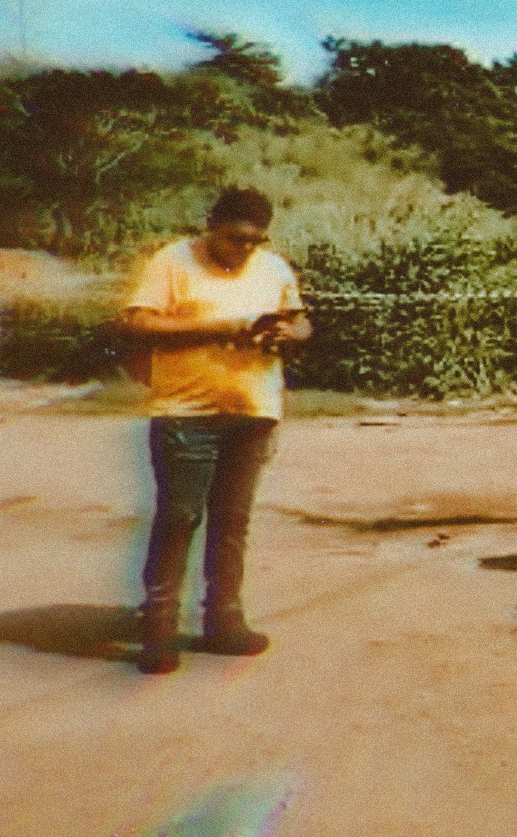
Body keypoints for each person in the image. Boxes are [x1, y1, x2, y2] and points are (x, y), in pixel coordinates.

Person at [117, 188, 311, 674]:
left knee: (232, 520)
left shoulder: (273, 268)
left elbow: (300, 319)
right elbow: (138, 324)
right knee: (179, 517)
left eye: (254, 241)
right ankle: (158, 628)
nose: (244, 249)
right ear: (210, 224)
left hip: (253, 410)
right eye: (234, 239)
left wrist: (290, 333)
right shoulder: (173, 261)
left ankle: (224, 620)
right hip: (186, 413)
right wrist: (223, 328)